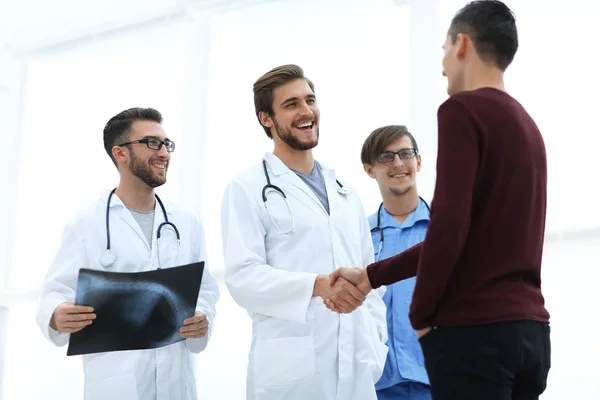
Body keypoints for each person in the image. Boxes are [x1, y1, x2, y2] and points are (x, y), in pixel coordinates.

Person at [329, 1, 551, 399]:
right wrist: (372, 276)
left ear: (462, 43)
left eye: (445, 49)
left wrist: (422, 317)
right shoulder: (528, 126)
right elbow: (468, 238)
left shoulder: (461, 110)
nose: (443, 63)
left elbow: (449, 227)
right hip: (530, 335)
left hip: (475, 338)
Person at [220, 64, 388, 400]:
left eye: (310, 100)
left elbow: (371, 281)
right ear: (266, 118)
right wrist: (317, 285)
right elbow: (242, 278)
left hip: (356, 370)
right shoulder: (247, 188)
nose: (306, 111)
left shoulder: (345, 191)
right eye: (291, 104)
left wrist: (373, 351)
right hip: (290, 375)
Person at [36, 107, 220, 400]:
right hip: (116, 384)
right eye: (151, 143)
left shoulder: (186, 222)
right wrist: (56, 315)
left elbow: (206, 289)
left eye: (166, 144)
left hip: (176, 382)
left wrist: (202, 315)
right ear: (120, 153)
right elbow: (54, 292)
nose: (163, 153)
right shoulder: (88, 223)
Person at [361, 126, 431, 400]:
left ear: (419, 161)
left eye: (405, 153)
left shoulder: (448, 231)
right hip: (380, 385)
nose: (398, 163)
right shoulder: (360, 237)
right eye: (386, 157)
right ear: (370, 169)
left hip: (442, 378)